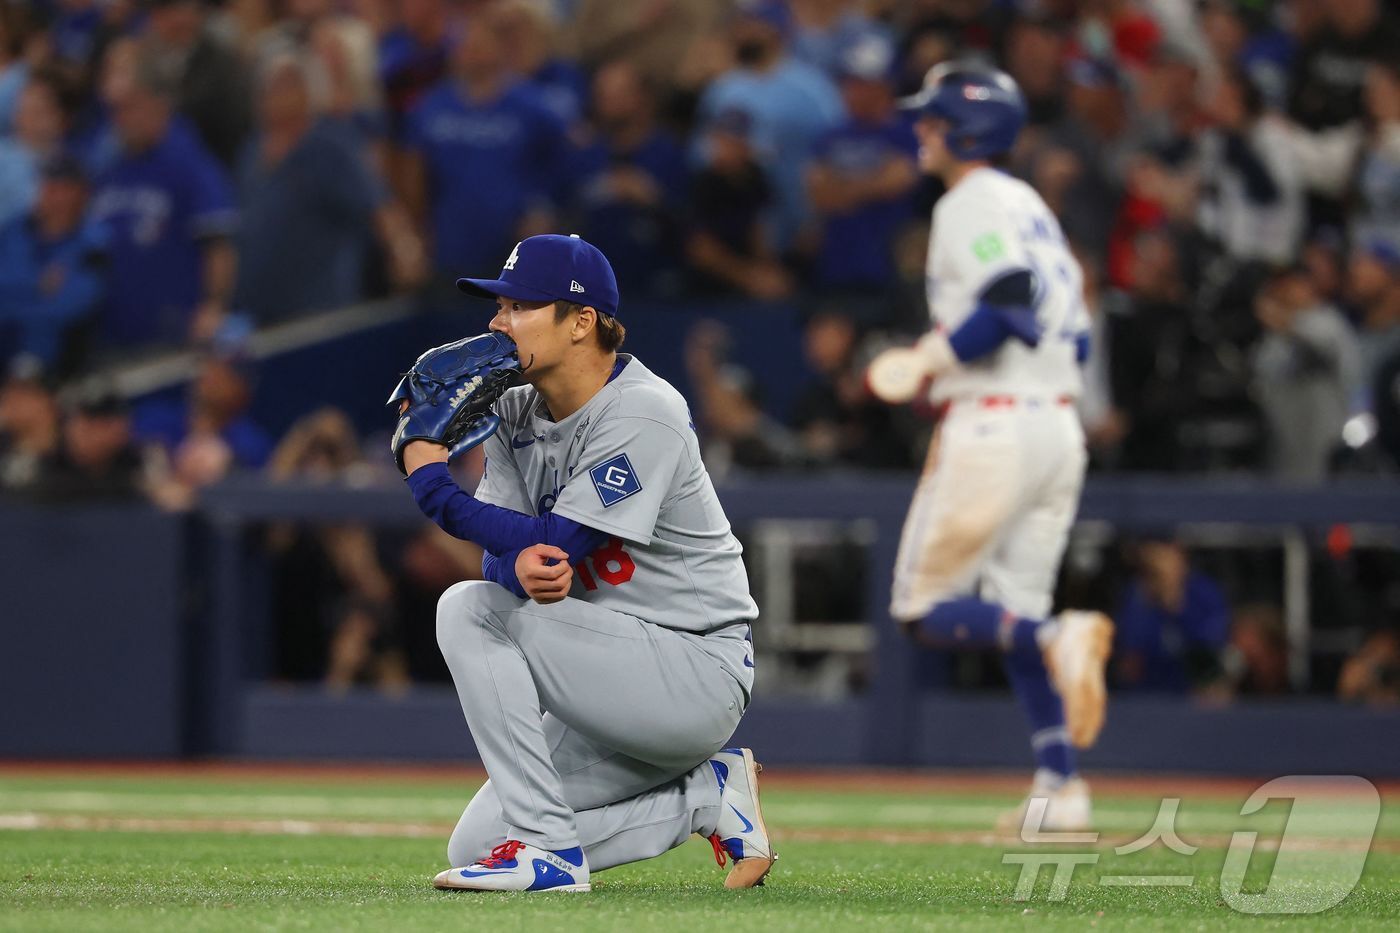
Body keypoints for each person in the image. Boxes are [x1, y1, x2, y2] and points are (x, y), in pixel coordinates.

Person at [396, 234, 773, 892]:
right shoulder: (515, 406)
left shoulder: (645, 411)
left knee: (466, 611)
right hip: (605, 671)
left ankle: (549, 853)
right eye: (499, 306)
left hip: (693, 669)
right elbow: (508, 557)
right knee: (479, 840)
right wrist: (518, 568)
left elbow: (557, 541)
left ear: (581, 321)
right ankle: (707, 798)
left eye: (518, 306)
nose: (496, 322)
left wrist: (431, 481)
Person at [866, 62, 1113, 831]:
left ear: (966, 131)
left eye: (933, 119)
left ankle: (1057, 637)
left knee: (921, 607)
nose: (921, 130)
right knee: (1010, 609)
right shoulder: (1028, 202)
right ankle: (1061, 788)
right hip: (1056, 425)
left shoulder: (970, 200)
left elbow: (1007, 300)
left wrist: (929, 358)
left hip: (995, 421)